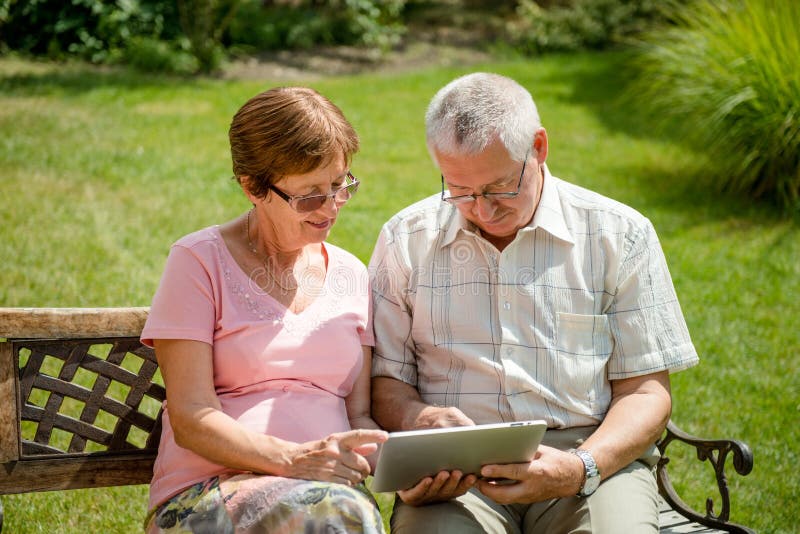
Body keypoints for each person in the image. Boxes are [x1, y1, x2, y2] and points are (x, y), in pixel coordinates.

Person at [369, 72, 700, 533]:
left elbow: (645, 391)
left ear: (539, 148)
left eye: (500, 188)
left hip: (588, 457)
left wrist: (582, 466)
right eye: (461, 191)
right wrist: (418, 419)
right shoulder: (406, 239)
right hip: (455, 474)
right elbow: (386, 381)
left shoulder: (619, 234)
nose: (483, 210)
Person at [140, 86, 388, 533]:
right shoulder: (198, 261)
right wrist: (294, 460)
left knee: (337, 512)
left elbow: (359, 416)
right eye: (310, 195)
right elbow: (192, 417)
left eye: (340, 185)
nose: (331, 207)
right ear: (253, 187)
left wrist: (408, 466)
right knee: (337, 516)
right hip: (209, 490)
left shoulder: (352, 274)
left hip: (328, 496)